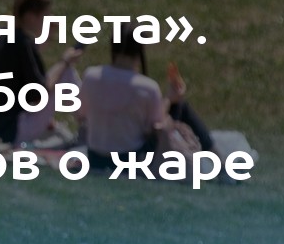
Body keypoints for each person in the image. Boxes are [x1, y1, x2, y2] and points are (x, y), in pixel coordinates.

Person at [72, 28, 214, 170]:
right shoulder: (147, 87)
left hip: (96, 156)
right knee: (180, 107)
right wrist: (169, 99)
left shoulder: (90, 76)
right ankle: (217, 160)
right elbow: (157, 126)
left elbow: (81, 115)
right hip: (130, 160)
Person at [0, 0, 84, 146]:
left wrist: (47, 37)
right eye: (45, 16)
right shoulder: (22, 43)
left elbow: (23, 61)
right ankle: (91, 129)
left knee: (60, 70)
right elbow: (38, 94)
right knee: (66, 72)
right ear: (30, 16)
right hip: (8, 132)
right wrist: (65, 61)